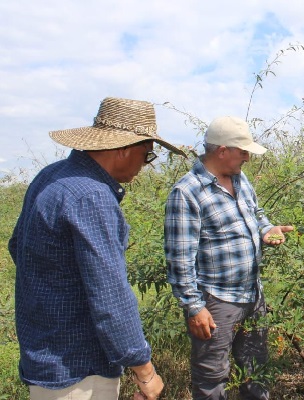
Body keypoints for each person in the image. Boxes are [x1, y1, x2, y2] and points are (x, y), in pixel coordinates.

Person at [9, 97, 186, 399]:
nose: (145, 166)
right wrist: (145, 371)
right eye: (147, 155)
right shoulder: (92, 196)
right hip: (79, 367)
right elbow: (110, 296)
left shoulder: (51, 176)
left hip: (45, 354)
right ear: (123, 150)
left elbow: (17, 247)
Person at [164, 115, 293, 400]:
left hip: (252, 295)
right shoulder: (186, 193)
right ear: (223, 151)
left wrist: (268, 229)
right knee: (211, 377)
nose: (247, 157)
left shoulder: (240, 179)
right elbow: (179, 259)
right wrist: (194, 307)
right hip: (216, 301)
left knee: (256, 370)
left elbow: (257, 215)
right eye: (243, 151)